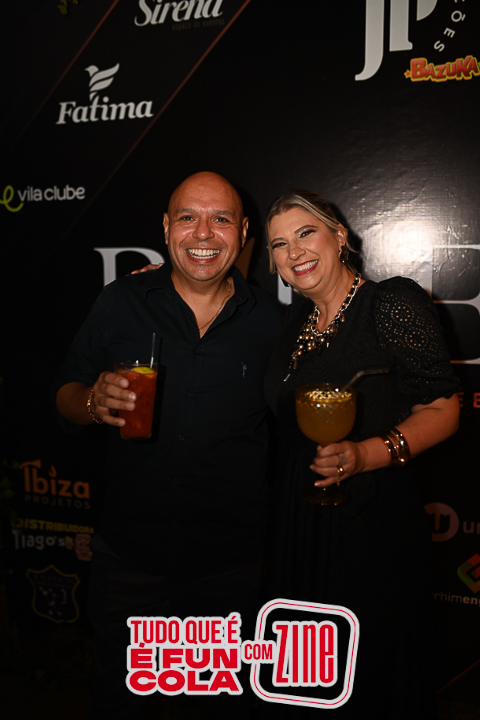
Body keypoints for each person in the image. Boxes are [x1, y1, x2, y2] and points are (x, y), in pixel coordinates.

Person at [53, 171, 284, 719]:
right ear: (165, 227)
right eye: (187, 217)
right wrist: (92, 402)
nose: (203, 233)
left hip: (229, 569)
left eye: (220, 219)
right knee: (120, 702)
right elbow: (65, 394)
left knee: (215, 706)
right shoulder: (120, 302)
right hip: (129, 560)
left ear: (242, 233)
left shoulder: (274, 324)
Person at [261, 190, 460, 719]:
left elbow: (443, 409)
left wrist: (365, 455)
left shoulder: (388, 303)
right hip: (299, 522)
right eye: (279, 244)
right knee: (305, 680)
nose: (294, 252)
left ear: (339, 236)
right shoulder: (294, 324)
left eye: (306, 233)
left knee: (365, 679)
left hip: (370, 525)